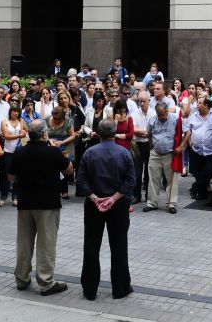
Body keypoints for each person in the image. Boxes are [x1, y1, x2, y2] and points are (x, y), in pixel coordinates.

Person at [9, 120, 72, 296]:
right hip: (47, 204)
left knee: (24, 242)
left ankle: (21, 278)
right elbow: (69, 170)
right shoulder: (53, 152)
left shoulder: (20, 152)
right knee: (46, 243)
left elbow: (11, 176)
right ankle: (46, 282)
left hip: (25, 203)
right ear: (44, 134)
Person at [76, 118, 135, 301]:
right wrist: (115, 198)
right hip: (117, 205)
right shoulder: (124, 153)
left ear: (98, 133)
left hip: (95, 204)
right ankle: (121, 287)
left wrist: (94, 198)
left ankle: (90, 288)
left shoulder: (89, 152)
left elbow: (81, 179)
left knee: (92, 246)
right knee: (119, 245)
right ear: (114, 132)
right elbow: (131, 180)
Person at [144, 103, 178, 214]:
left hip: (169, 153)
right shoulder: (152, 120)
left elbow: (186, 132)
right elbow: (149, 134)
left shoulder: (175, 119)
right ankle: (152, 203)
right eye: (159, 115)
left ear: (167, 111)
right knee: (153, 179)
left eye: (162, 115)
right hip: (155, 153)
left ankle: (171, 204)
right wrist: (151, 147)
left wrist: (181, 147)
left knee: (171, 180)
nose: (161, 117)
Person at [0, 105, 27, 207]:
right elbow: (6, 136)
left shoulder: (21, 121)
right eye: (14, 111)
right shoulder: (5, 121)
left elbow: (27, 131)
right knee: (5, 175)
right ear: (10, 111)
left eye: (17, 111)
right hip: (7, 151)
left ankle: (15, 197)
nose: (16, 113)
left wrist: (24, 131)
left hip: (19, 152)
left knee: (18, 175)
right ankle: (3, 197)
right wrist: (20, 135)